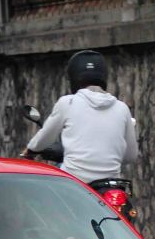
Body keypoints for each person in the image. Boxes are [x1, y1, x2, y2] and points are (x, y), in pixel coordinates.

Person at [23, 50, 138, 184]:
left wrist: (30, 149)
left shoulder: (67, 103)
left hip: (75, 182)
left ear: (73, 77)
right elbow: (131, 155)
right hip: (110, 182)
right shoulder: (122, 108)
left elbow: (46, 136)